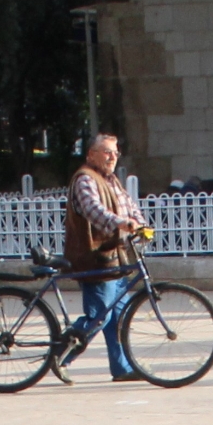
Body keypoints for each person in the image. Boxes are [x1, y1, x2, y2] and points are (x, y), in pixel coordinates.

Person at [58, 133, 143, 383]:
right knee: (98, 316)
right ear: (91, 155)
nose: (112, 157)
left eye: (115, 153)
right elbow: (94, 210)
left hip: (116, 258)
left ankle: (122, 368)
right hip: (94, 258)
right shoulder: (85, 179)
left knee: (118, 316)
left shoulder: (111, 180)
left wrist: (140, 225)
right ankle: (60, 356)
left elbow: (130, 207)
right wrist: (121, 223)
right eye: (107, 152)